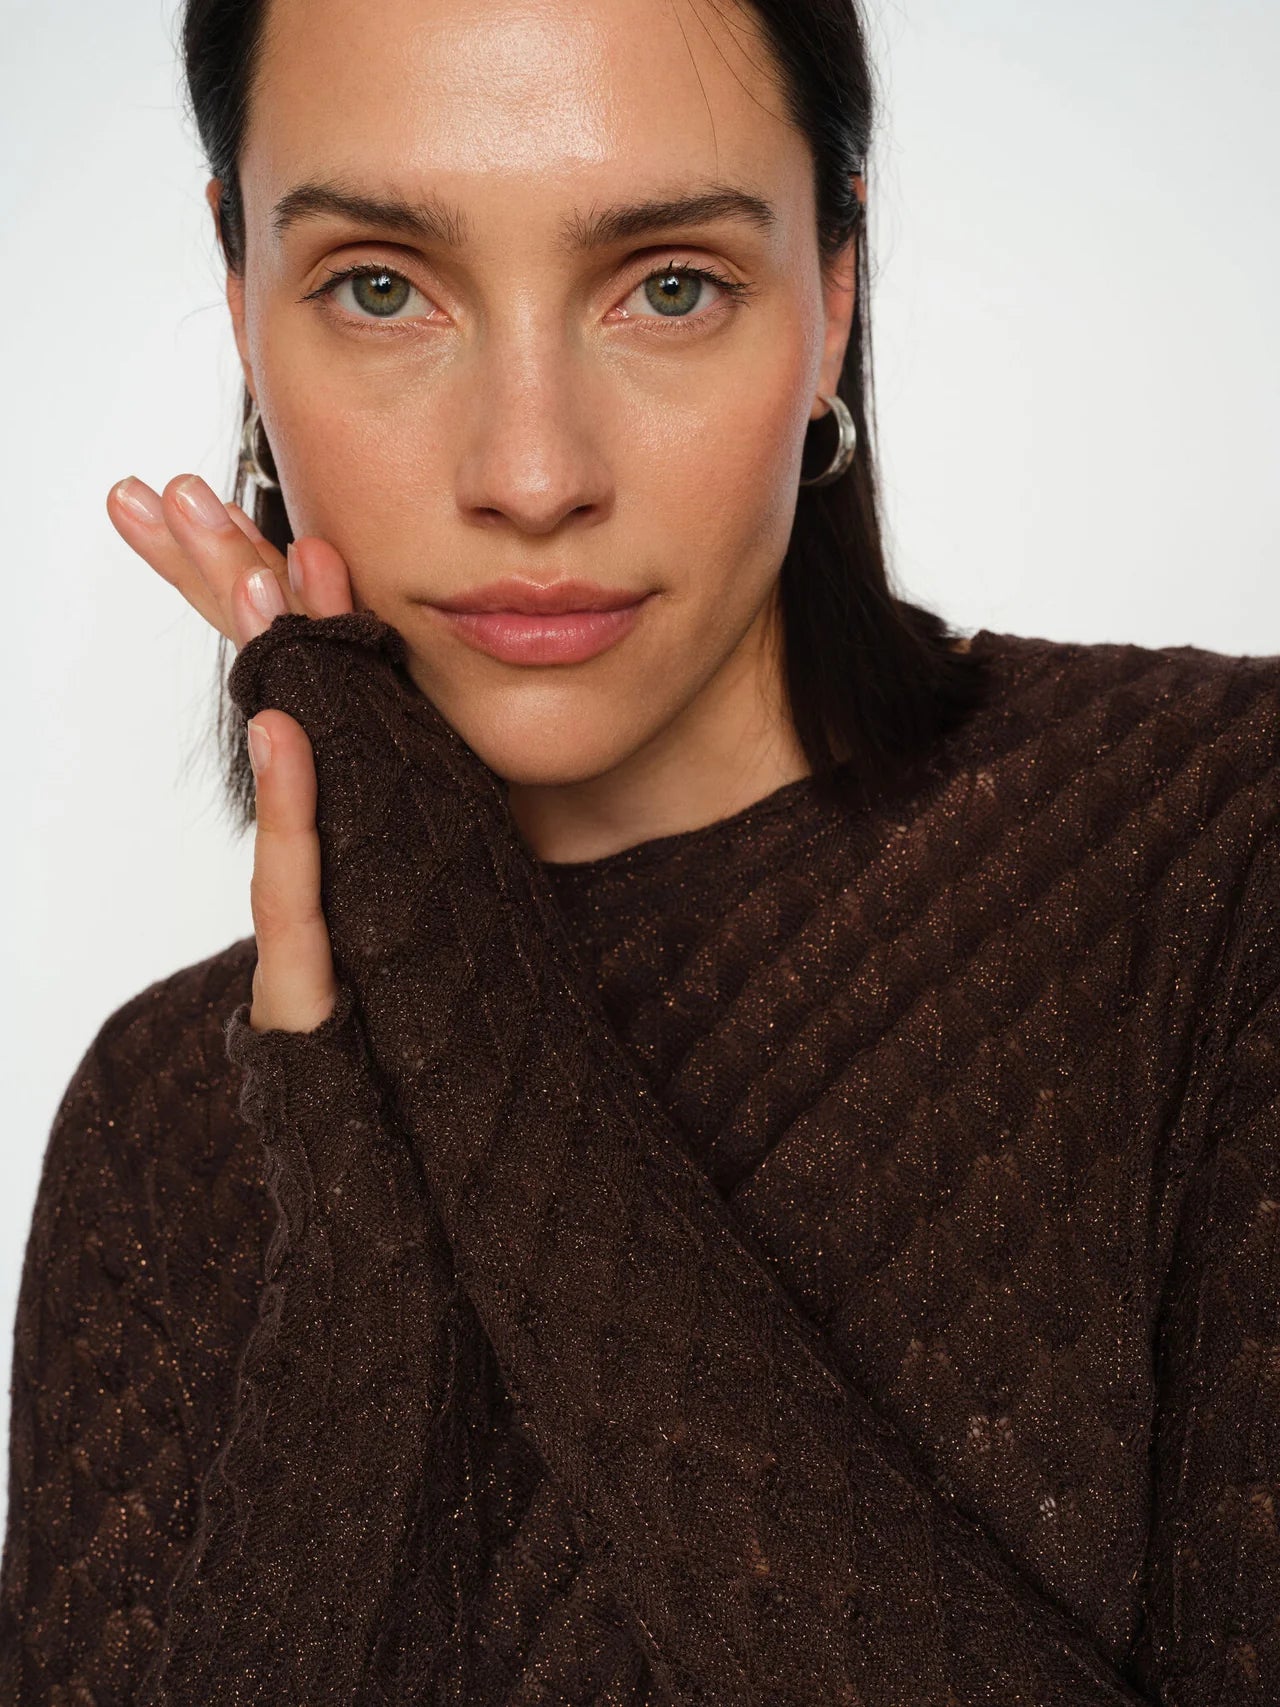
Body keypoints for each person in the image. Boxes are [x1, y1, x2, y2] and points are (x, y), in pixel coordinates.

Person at [2, 0, 1276, 1700]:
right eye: (379, 286)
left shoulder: (1226, 855)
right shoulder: (161, 1126)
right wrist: (355, 1297)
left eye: (671, 285)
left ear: (833, 290)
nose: (532, 475)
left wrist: (465, 1011)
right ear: (242, 293)